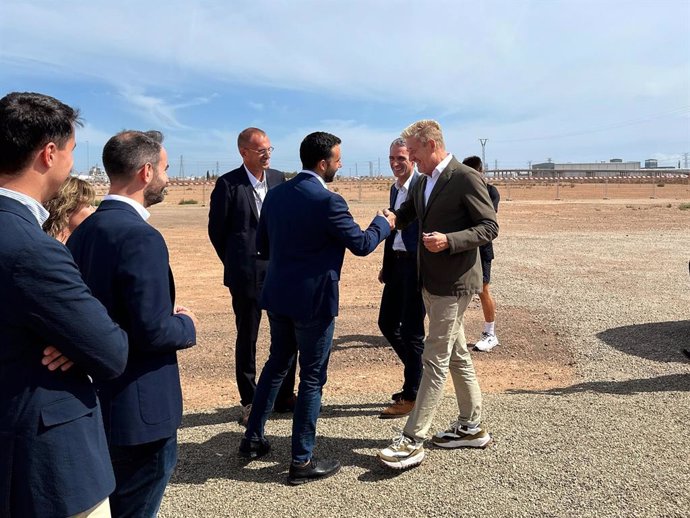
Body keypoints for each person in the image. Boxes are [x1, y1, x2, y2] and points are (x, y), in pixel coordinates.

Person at [0, 92, 128, 517]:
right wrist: (78, 341)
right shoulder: (31, 247)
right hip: (43, 470)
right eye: (72, 151)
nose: (72, 162)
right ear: (49, 153)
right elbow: (110, 351)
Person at [239, 131, 392, 485]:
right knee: (311, 377)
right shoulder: (329, 202)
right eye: (338, 160)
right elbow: (362, 244)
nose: (340, 165)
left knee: (276, 364)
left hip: (278, 296)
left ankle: (252, 439)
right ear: (323, 163)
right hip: (313, 303)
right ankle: (301, 460)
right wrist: (384, 223)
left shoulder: (275, 196)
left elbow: (262, 246)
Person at [67, 130, 198, 517]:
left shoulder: (85, 231)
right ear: (145, 172)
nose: (168, 178)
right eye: (165, 168)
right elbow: (152, 330)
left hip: (96, 400)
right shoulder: (141, 237)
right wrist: (187, 324)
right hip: (141, 409)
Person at [377, 120, 498, 470]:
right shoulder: (425, 181)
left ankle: (413, 440)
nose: (410, 158)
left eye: (413, 152)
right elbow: (408, 214)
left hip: (454, 283)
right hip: (429, 282)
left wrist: (450, 240)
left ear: (431, 145)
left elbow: (489, 226)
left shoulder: (464, 177)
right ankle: (471, 427)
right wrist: (391, 219)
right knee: (457, 354)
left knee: (434, 359)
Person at [208, 127, 296, 426]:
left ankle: (285, 396)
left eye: (270, 149)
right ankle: (250, 400)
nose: (267, 154)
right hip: (246, 276)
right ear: (244, 152)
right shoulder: (228, 184)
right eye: (261, 150)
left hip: (280, 271)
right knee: (248, 337)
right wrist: (236, 262)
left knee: (287, 334)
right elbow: (217, 232)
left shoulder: (277, 179)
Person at [377, 138, 426, 418]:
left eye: (401, 159)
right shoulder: (395, 189)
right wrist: (386, 265)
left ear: (413, 160)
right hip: (396, 265)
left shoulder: (422, 187)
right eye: (392, 158)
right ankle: (419, 376)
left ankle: (412, 393)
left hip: (415, 267)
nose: (396, 164)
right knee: (386, 322)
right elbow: (393, 229)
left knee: (412, 331)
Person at [462, 155, 500, 352]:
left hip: (483, 248)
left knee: (483, 289)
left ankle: (490, 334)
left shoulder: (490, 191)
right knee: (461, 291)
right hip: (465, 247)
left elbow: (485, 218)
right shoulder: (461, 191)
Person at [43, 176, 97, 242]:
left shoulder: (83, 243)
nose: (93, 210)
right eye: (88, 206)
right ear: (68, 209)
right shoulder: (45, 244)